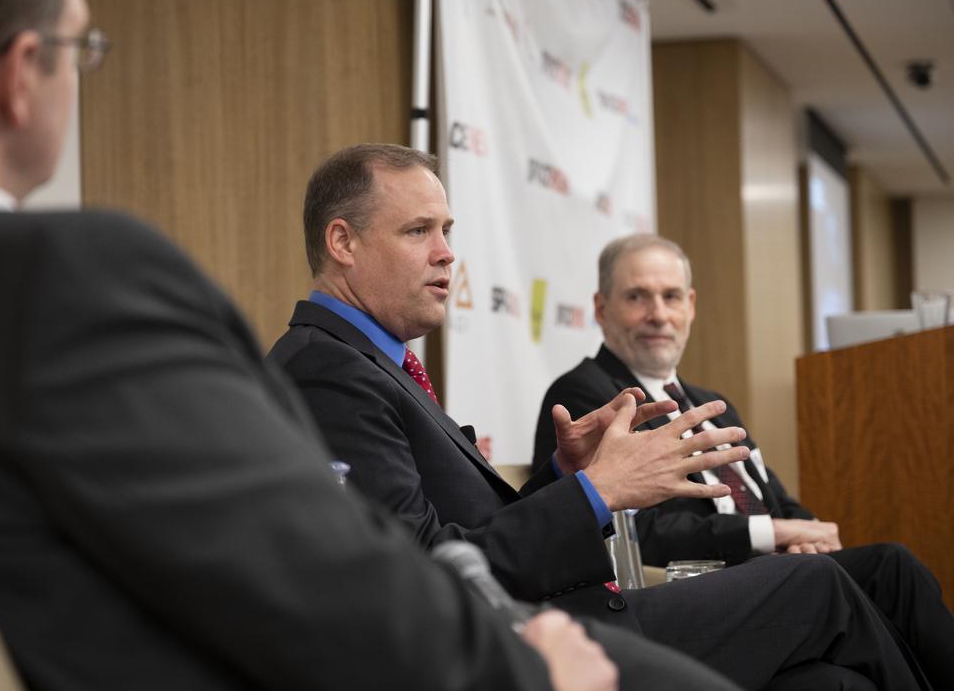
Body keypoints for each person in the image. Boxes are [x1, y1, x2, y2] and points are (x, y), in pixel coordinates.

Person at [0, 0, 629, 689]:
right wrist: (520, 665)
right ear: (22, 73)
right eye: (80, 46)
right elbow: (318, 579)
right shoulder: (73, 280)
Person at [269, 142, 929, 691]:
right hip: (531, 648)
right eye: (419, 231)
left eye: (448, 231)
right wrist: (595, 492)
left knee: (834, 684)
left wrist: (563, 474)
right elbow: (424, 579)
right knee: (817, 586)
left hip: (563, 615)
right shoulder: (329, 370)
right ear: (343, 242)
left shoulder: (372, 360)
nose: (446, 253)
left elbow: (465, 535)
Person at [533, 232, 954, 688]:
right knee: (890, 571)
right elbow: (635, 531)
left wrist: (802, 534)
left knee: (866, 627)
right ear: (600, 308)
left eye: (671, 296)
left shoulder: (711, 401)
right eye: (637, 297)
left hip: (776, 573)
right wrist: (772, 534)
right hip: (706, 584)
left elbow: (772, 496)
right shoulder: (588, 394)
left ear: (690, 305)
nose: (658, 314)